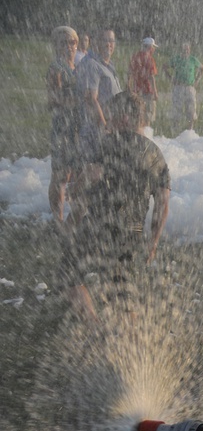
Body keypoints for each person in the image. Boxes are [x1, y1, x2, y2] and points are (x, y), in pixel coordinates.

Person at [62, 91, 171, 322]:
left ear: (124, 118)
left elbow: (92, 174)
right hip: (132, 233)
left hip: (100, 227)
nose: (108, 121)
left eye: (111, 116)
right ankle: (131, 344)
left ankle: (94, 328)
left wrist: (75, 189)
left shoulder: (110, 142)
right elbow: (163, 204)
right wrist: (153, 242)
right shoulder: (156, 156)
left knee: (69, 274)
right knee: (121, 293)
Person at [46, 26, 80, 223]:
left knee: (74, 173)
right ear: (56, 46)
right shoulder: (56, 69)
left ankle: (72, 217)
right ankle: (57, 219)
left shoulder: (78, 67)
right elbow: (52, 99)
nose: (69, 47)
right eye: (64, 43)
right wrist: (77, 101)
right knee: (60, 174)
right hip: (62, 126)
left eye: (72, 42)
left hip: (77, 126)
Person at [76, 28, 122, 164]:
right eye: (105, 40)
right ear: (96, 43)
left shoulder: (108, 65)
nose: (109, 44)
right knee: (94, 170)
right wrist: (104, 125)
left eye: (111, 41)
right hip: (96, 129)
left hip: (110, 126)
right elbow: (91, 98)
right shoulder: (92, 64)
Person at [163, 42, 203, 132]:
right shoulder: (176, 59)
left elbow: (202, 69)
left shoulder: (193, 60)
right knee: (176, 107)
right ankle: (175, 128)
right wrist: (170, 78)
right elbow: (165, 66)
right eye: (184, 49)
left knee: (191, 107)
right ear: (181, 50)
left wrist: (197, 80)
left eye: (187, 49)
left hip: (190, 87)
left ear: (189, 50)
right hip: (178, 87)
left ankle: (190, 129)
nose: (186, 51)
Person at [128, 37, 159, 125]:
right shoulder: (150, 59)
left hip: (136, 90)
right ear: (150, 47)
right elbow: (151, 76)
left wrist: (129, 87)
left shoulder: (135, 57)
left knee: (138, 114)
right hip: (147, 91)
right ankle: (147, 133)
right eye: (153, 48)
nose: (153, 50)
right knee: (148, 114)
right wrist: (155, 92)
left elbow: (129, 73)